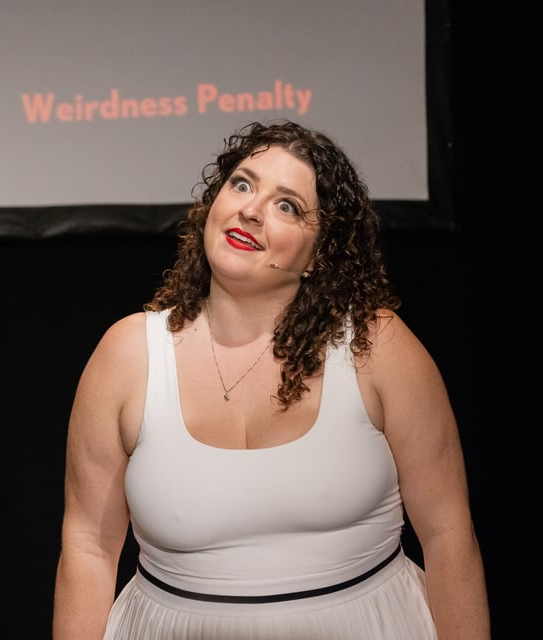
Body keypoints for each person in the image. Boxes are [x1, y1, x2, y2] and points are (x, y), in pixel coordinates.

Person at [53, 119, 490, 639]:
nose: (251, 210)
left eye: (288, 205)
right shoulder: (126, 353)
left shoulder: (378, 346)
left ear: (320, 253)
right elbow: (87, 546)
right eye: (242, 184)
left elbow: (447, 534)